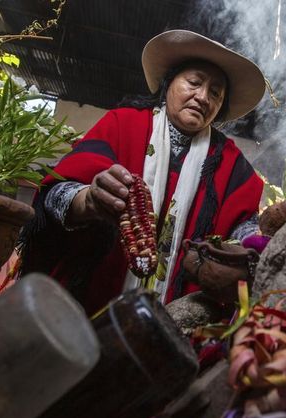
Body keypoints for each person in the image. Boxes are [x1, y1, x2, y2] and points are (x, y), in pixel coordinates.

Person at [20, 30, 266, 315]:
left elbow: (243, 227)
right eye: (194, 82)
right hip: (91, 303)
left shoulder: (231, 163)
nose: (202, 97)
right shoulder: (122, 124)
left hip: (178, 319)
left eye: (215, 93)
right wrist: (87, 199)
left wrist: (260, 241)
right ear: (169, 83)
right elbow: (54, 195)